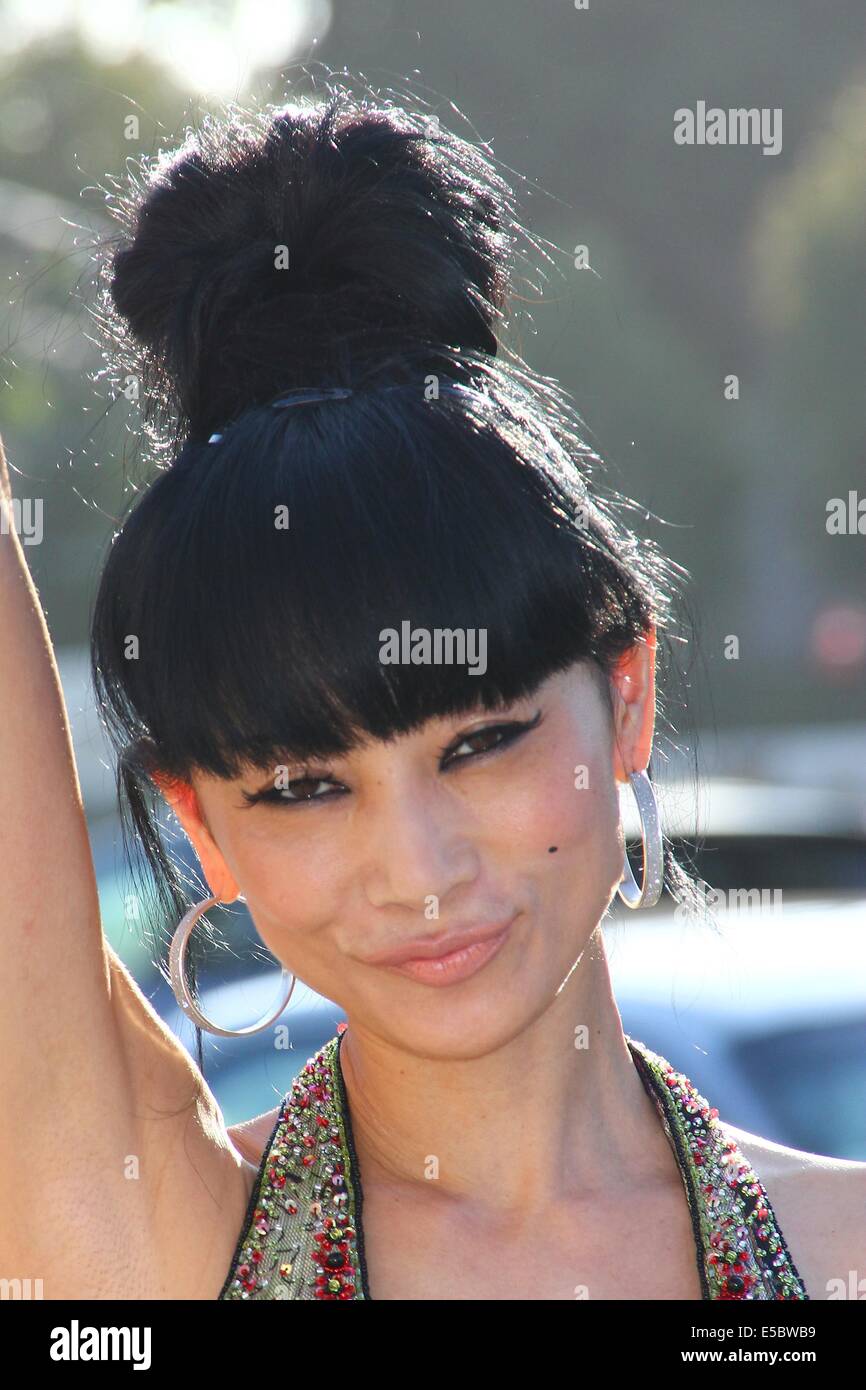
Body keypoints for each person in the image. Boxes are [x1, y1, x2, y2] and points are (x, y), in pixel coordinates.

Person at [1, 85, 863, 1302]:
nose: (417, 869)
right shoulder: (150, 1253)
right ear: (202, 827)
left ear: (626, 693)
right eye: (304, 787)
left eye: (481, 743)